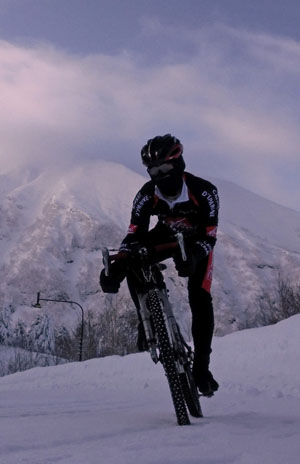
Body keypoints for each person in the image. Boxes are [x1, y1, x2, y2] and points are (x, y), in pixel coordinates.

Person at [100, 134, 219, 396]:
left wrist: (195, 256)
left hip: (197, 242)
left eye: (164, 168)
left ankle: (201, 368)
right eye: (153, 170)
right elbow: (133, 234)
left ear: (178, 164)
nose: (159, 174)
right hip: (165, 236)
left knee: (199, 298)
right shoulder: (146, 195)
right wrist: (116, 268)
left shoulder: (204, 190)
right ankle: (147, 322)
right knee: (133, 257)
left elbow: (210, 235)